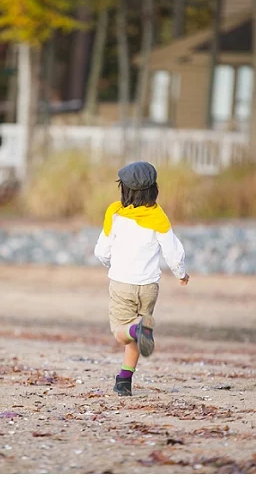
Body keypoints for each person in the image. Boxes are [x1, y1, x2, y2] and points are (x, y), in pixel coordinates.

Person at [93, 161, 190, 397]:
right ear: (154, 190)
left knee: (120, 331)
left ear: (124, 190)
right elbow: (173, 252)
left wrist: (109, 263)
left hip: (121, 284)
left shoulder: (115, 214)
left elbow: (101, 251)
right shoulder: (158, 217)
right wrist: (181, 274)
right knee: (137, 334)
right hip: (148, 287)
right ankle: (124, 381)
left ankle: (137, 330)